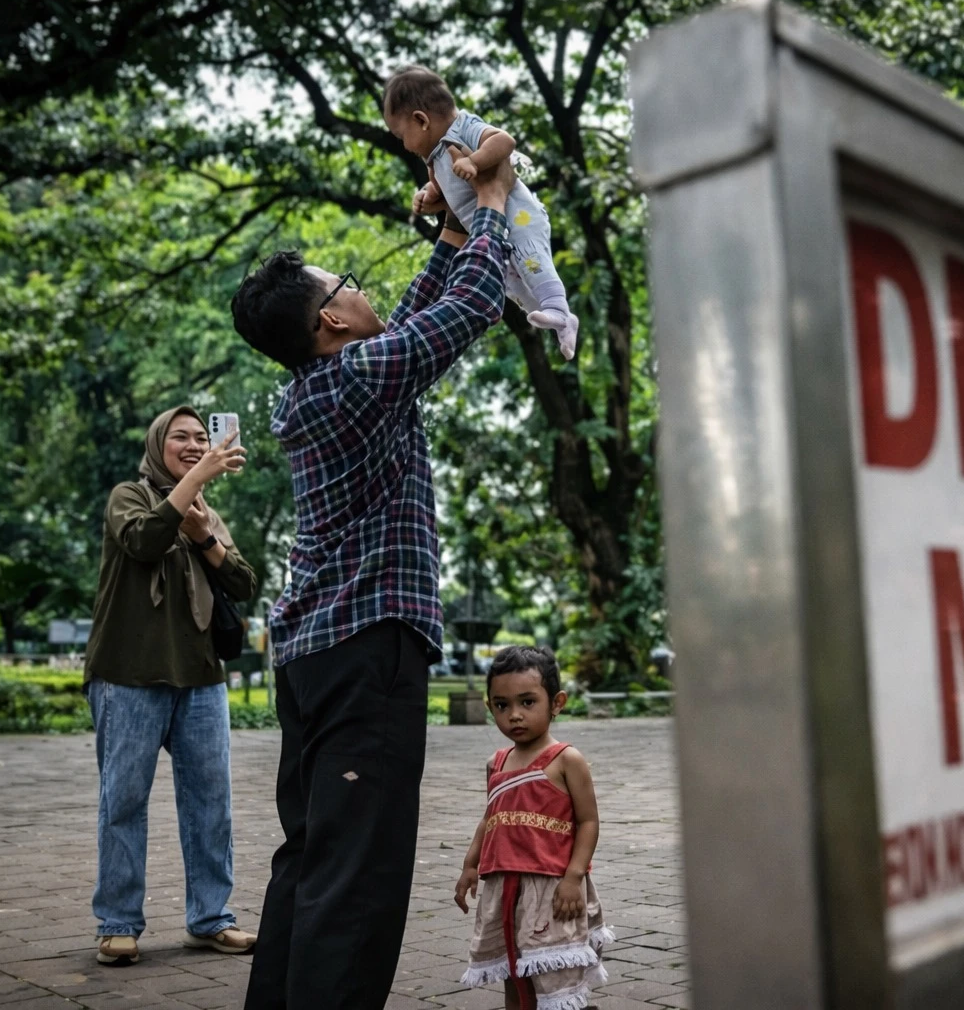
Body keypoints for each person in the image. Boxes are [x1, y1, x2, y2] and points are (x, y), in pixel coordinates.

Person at [228, 152, 515, 1010]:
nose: (358, 287)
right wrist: (493, 208)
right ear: (329, 324)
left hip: (319, 655)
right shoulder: (354, 379)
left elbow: (417, 321)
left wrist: (451, 226)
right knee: (357, 875)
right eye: (343, 282)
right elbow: (465, 311)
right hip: (364, 653)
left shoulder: (332, 382)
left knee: (314, 855)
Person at [82, 406, 257, 966]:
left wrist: (207, 537)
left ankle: (209, 919)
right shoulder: (127, 497)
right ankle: (118, 922)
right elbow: (142, 541)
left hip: (201, 679)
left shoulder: (205, 511)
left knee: (211, 806)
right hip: (128, 675)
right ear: (158, 444)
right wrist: (194, 482)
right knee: (123, 802)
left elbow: (244, 582)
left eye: (200, 437)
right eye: (180, 436)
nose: (192, 443)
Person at [381, 64, 579, 361]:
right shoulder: (434, 158)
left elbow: (503, 140)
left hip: (518, 216)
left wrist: (474, 161)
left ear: (421, 121)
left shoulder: (463, 128)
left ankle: (557, 306)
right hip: (495, 232)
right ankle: (559, 320)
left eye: (400, 135)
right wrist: (429, 196)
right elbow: (449, 193)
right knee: (512, 280)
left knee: (530, 257)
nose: (403, 145)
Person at [454, 646, 611, 1010]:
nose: (514, 716)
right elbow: (489, 818)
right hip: (504, 887)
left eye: (527, 702)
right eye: (501, 705)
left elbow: (588, 821)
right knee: (514, 966)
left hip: (551, 887)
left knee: (554, 970)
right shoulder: (497, 763)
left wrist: (573, 877)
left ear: (556, 703)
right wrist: (470, 865)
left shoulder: (566, 760)